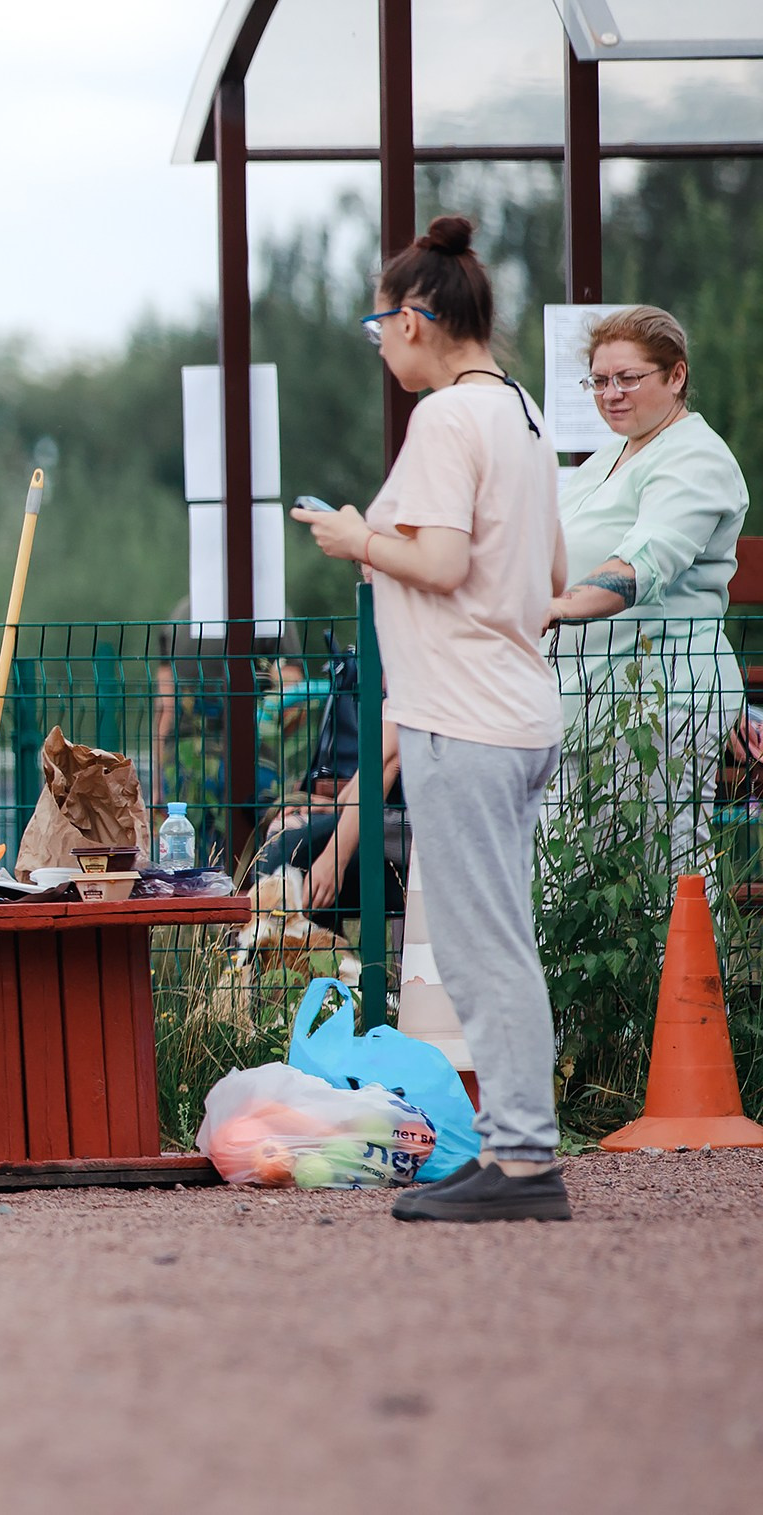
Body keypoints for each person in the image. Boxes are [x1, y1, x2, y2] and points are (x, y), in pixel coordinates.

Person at [295, 214, 571, 1224]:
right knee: (495, 936)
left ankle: (523, 1161)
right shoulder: (525, 415)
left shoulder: (448, 419)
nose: (380, 346)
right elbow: (548, 576)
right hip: (514, 705)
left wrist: (357, 537)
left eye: (381, 326)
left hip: (462, 715)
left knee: (482, 946)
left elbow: (443, 562)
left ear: (415, 320)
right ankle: (515, 1149)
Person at [539, 305, 750, 876]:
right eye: (599, 380)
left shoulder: (695, 458)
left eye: (628, 378)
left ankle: (701, 971)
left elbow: (644, 563)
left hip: (659, 701)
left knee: (667, 871)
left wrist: (556, 607)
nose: (611, 394)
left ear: (676, 376)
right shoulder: (609, 456)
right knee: (562, 878)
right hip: (579, 698)